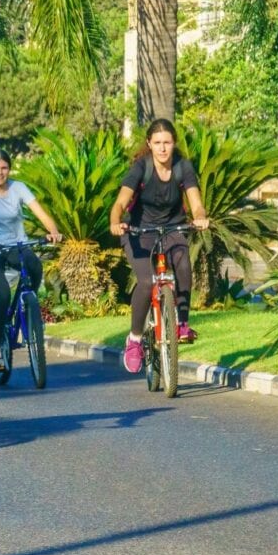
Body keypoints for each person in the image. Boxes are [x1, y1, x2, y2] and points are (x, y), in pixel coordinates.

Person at [108, 118, 210, 375]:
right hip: (139, 232)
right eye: (157, 143)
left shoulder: (183, 167)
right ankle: (134, 339)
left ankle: (182, 323)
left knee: (183, 263)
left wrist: (199, 217)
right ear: (149, 144)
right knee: (146, 282)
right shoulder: (141, 168)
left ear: (174, 143)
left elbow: (196, 202)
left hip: (173, 229)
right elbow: (120, 202)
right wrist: (116, 221)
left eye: (167, 142)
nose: (162, 148)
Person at [0, 148, 64, 373]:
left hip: (16, 245)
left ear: (9, 169)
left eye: (4, 168)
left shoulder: (18, 188)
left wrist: (53, 231)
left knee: (35, 266)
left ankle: (29, 308)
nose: (0, 172)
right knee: (3, 295)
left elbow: (42, 214)